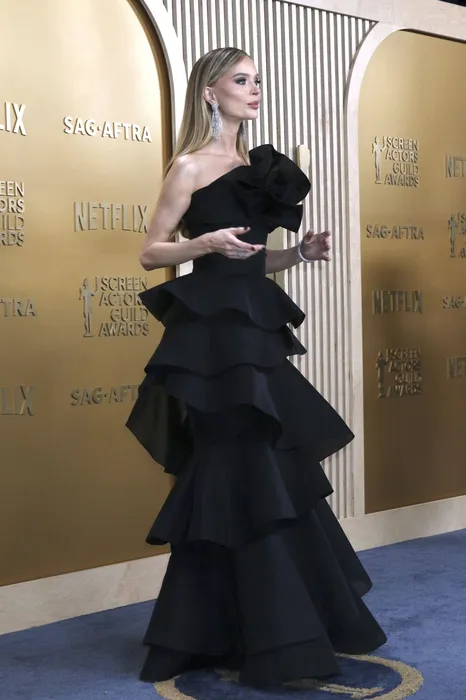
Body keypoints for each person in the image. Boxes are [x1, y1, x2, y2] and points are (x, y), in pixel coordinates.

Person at [126, 47, 386, 688]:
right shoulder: (189, 166)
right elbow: (150, 253)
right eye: (241, 80)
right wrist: (202, 242)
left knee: (270, 469)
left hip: (258, 333)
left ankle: (260, 625)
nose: (254, 89)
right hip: (213, 343)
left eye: (257, 80)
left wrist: (299, 253)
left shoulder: (255, 167)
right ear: (209, 93)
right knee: (233, 469)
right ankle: (252, 632)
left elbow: (251, 259)